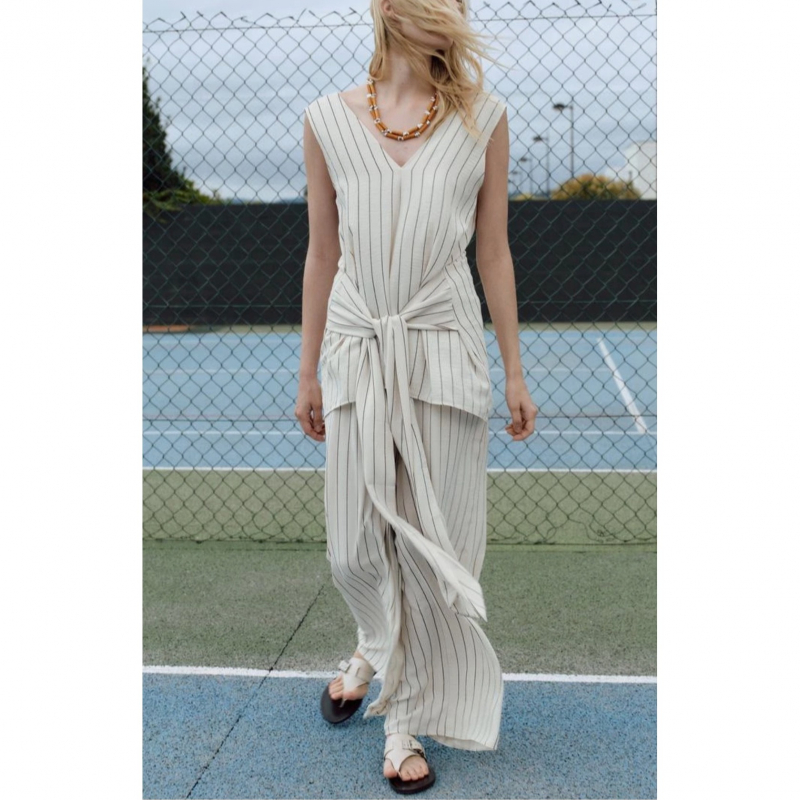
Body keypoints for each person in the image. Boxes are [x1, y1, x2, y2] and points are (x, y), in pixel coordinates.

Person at [297, 0, 537, 793]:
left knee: (437, 547)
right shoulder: (326, 120)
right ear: (390, 9)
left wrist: (513, 369)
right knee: (353, 546)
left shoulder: (483, 120)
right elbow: (323, 252)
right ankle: (375, 644)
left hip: (444, 348)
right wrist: (307, 371)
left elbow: (493, 251)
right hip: (358, 348)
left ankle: (401, 721)